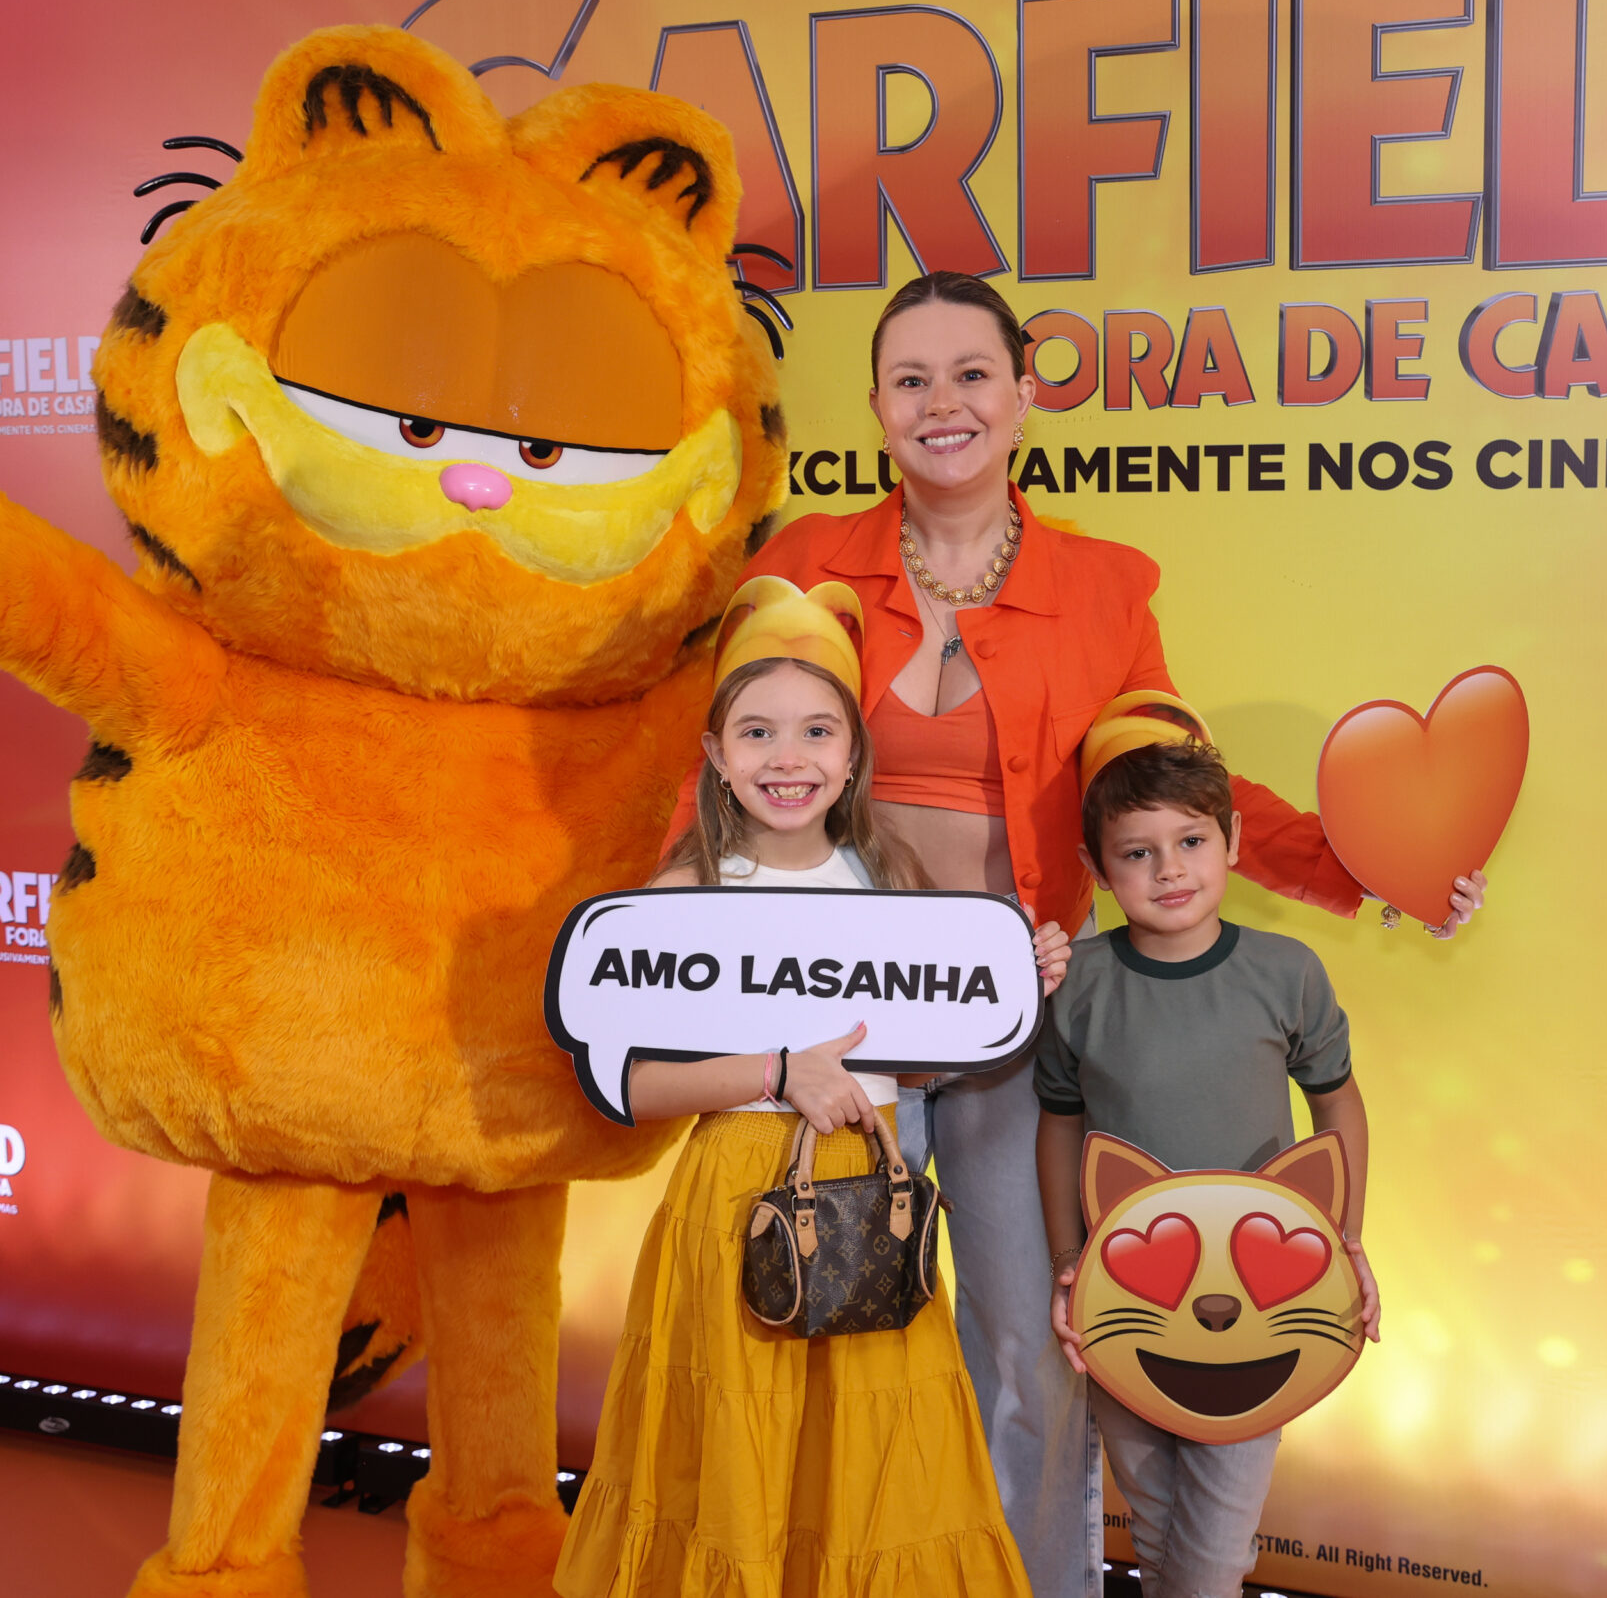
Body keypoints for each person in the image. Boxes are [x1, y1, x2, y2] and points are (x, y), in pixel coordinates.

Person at [665, 269, 1484, 1594]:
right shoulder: (807, 558)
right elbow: (714, 763)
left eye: (971, 374)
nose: (943, 402)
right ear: (876, 404)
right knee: (813, 1326)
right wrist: (656, 926)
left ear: (1023, 392)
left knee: (1033, 1353)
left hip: (1019, 1025)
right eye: (912, 378)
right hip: (828, 1027)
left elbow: (1173, 783)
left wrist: (1364, 867)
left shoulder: (1101, 589)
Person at [558, 576, 1068, 1598]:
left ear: (852, 754)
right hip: (733, 1193)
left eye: (816, 732)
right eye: (757, 733)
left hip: (869, 1186)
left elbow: (917, 1051)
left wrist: (1016, 982)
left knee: (870, 1451)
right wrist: (778, 1074)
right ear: (716, 754)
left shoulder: (891, 881)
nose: (787, 759)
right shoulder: (685, 893)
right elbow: (622, 1082)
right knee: (741, 1447)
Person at [1035, 704, 1382, 1596]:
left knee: (1215, 1553)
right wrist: (1070, 1260)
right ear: (1096, 869)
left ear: (1231, 840)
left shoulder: (1287, 972)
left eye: (1190, 841)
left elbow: (1338, 1103)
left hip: (1263, 1301)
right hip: (1128, 1297)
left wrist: (1343, 1242)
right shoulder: (1079, 986)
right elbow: (1060, 1123)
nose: (1169, 869)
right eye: (1137, 852)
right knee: (1157, 1536)